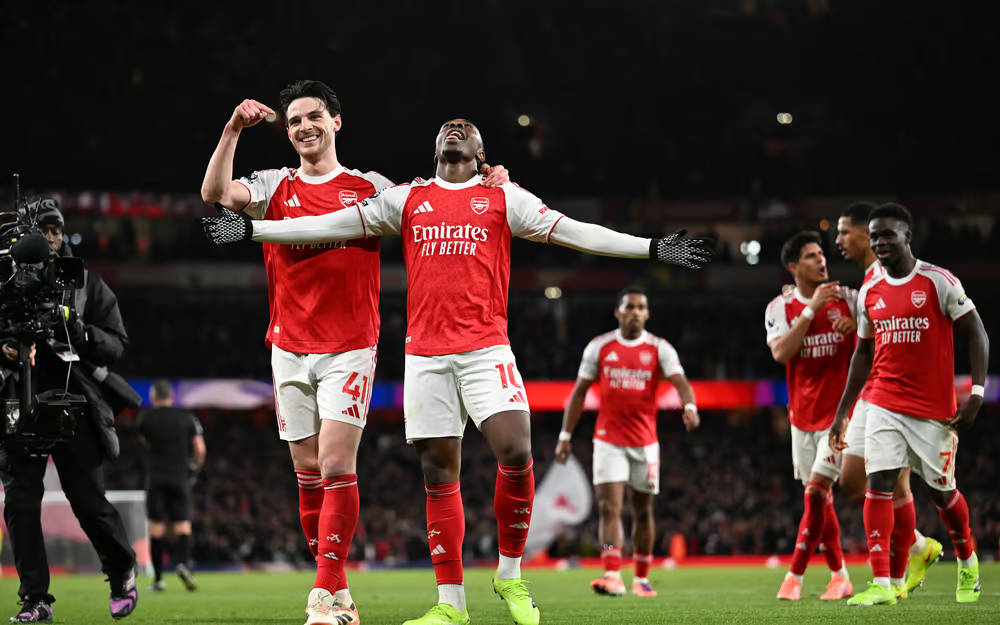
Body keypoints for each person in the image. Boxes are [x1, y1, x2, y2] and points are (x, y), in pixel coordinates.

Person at [200, 118, 713, 625]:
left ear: (480, 151)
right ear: (434, 145)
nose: (455, 128)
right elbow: (329, 225)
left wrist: (650, 247)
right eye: (447, 125)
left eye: (465, 127)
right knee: (438, 476)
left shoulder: (503, 197)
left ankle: (510, 574)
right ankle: (451, 603)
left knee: (516, 450)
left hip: (486, 349)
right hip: (424, 357)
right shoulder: (406, 199)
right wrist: (252, 229)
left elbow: (575, 233)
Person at [199, 81, 508, 625]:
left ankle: (321, 596)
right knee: (307, 472)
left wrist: (486, 181)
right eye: (294, 121)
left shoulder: (370, 188)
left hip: (350, 346)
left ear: (336, 122)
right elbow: (216, 197)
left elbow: (436, 197)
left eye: (313, 116)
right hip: (287, 346)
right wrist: (231, 131)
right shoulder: (273, 184)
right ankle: (339, 593)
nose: (303, 128)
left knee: (337, 464)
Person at [831, 202, 988, 606]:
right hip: (883, 401)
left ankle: (967, 559)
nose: (881, 242)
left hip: (934, 412)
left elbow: (977, 333)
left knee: (942, 495)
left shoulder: (938, 282)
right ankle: (882, 582)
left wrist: (976, 394)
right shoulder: (871, 291)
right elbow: (862, 356)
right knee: (878, 483)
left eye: (888, 234)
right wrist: (843, 413)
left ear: (907, 237)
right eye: (876, 235)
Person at [0, 199, 138, 622]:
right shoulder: (4, 284)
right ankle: (35, 599)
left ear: (63, 235)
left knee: (87, 501)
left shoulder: (86, 284)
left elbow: (117, 345)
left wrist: (77, 328)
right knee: (21, 502)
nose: (49, 237)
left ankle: (120, 570)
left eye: (55, 229)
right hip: (18, 401)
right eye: (41, 230)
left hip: (73, 400)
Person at [554, 287, 700, 598]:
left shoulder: (660, 349)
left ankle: (642, 578)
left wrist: (690, 407)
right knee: (610, 508)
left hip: (645, 443)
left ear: (647, 314)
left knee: (643, 511)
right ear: (618, 312)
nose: (635, 312)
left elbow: (681, 383)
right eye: (629, 306)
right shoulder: (600, 347)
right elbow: (579, 393)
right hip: (608, 440)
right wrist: (565, 436)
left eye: (641, 307)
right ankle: (612, 574)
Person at [834, 201, 941, 595]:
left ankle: (893, 580)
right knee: (852, 481)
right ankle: (916, 546)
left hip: (895, 395)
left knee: (892, 486)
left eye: (845, 231)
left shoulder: (892, 270)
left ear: (867, 232)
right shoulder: (869, 278)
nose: (839, 240)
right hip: (873, 390)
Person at [764, 231, 854, 602]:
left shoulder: (848, 299)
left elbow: (874, 344)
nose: (822, 260)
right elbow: (782, 353)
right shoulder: (778, 308)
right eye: (811, 256)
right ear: (793, 267)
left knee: (817, 493)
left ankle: (794, 576)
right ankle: (840, 577)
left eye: (822, 254)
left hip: (840, 417)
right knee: (820, 499)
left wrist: (855, 333)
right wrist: (811, 309)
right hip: (801, 418)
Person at [136, 379, 206, 592]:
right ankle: (184, 564)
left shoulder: (146, 418)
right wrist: (194, 469)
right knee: (182, 524)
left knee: (156, 528)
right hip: (180, 477)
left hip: (156, 478)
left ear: (154, 397)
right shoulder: (187, 418)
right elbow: (200, 448)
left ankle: (158, 580)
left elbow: (143, 443)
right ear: (172, 397)